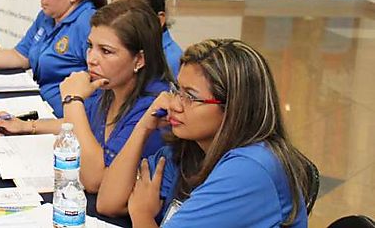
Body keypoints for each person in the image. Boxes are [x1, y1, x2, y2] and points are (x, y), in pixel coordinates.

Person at [96, 39, 312, 227]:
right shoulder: (190, 147)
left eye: (190, 96)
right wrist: (142, 128)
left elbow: (138, 209)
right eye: (176, 90)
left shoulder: (251, 168)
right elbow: (108, 203)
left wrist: (141, 214)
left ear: (233, 107)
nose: (174, 105)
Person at [0, 0, 174, 193]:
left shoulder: (153, 106)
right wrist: (27, 126)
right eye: (90, 46)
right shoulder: (111, 86)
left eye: (106, 51)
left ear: (139, 60)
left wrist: (72, 100)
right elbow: (80, 125)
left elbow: (94, 180)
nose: (91, 59)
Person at [112, 0, 183, 77]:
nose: (115, 21)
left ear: (158, 20)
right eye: (112, 12)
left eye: (129, 16)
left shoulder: (171, 61)